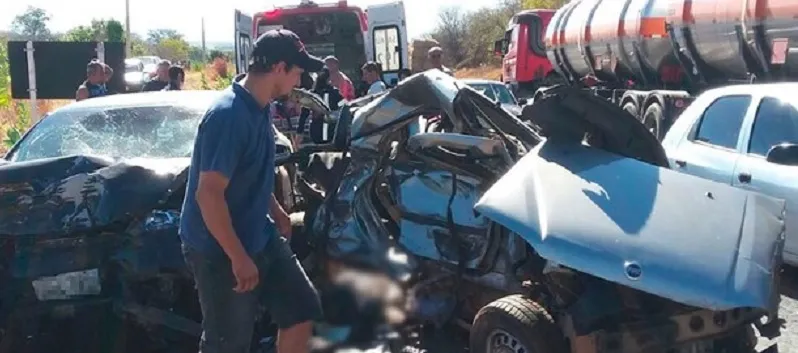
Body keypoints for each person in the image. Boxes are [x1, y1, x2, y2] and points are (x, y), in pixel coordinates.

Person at [179, 29, 324, 353]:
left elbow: (247, 174)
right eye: (297, 73)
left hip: (258, 232)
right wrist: (238, 257)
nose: (298, 83)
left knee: (301, 310)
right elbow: (209, 194)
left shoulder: (259, 108)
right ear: (279, 68)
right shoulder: (228, 116)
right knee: (228, 343)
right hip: (218, 247)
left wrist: (275, 210)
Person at [298, 67, 344, 143]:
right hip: (331, 128)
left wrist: (299, 132)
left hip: (316, 128)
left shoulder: (312, 95)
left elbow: (304, 113)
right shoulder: (335, 93)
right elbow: (343, 105)